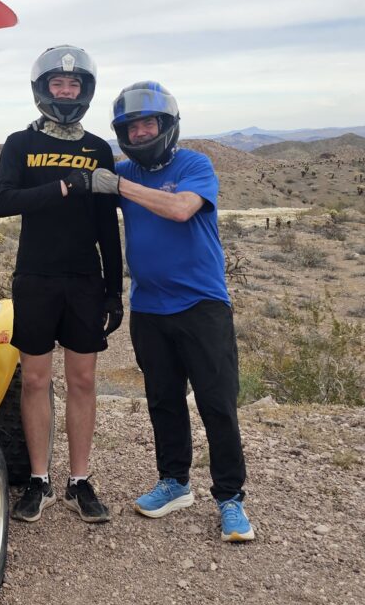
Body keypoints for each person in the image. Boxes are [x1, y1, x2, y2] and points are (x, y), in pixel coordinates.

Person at [88, 82, 254, 543]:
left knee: (217, 403)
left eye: (148, 124)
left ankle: (230, 499)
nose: (140, 133)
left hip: (202, 304)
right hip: (149, 307)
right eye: (131, 127)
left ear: (166, 125)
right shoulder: (123, 171)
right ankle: (175, 482)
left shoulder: (194, 165)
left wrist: (120, 186)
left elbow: (182, 210)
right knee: (163, 400)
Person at [0, 45, 123, 524]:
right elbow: (4, 201)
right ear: (42, 89)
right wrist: (64, 186)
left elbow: (108, 225)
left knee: (84, 380)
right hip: (36, 277)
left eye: (73, 85)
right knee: (35, 379)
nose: (65, 91)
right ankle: (40, 480)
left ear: (84, 91)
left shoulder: (99, 149)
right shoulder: (19, 143)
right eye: (57, 84)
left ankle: (80, 481)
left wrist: (114, 289)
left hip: (85, 280)